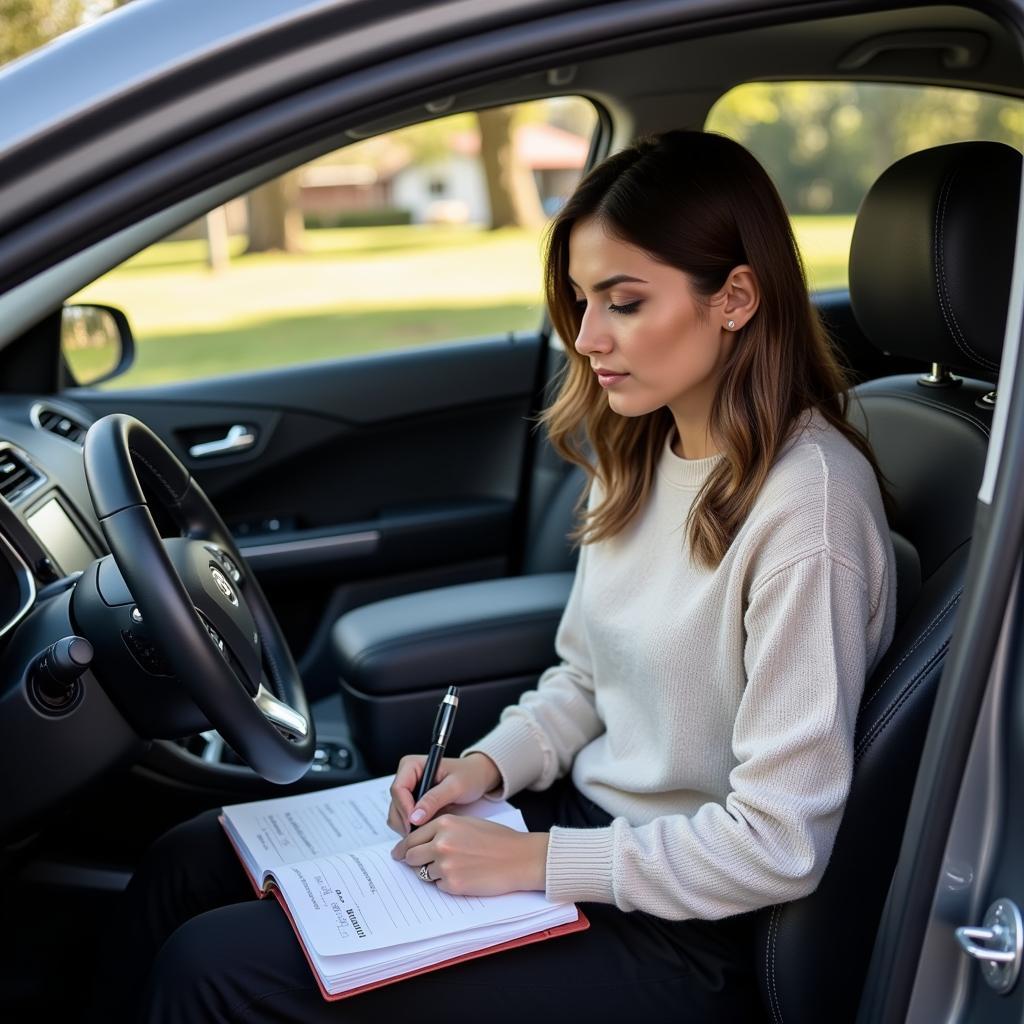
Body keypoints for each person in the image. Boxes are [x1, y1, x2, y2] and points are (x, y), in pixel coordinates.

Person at [89, 129, 897, 1023]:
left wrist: (537, 862)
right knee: (189, 861)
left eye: (624, 302)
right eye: (583, 300)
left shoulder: (810, 509)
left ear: (736, 297)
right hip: (580, 828)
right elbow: (586, 680)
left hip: (685, 925)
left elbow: (779, 844)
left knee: (216, 968)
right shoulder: (651, 447)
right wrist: (484, 770)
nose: (587, 337)